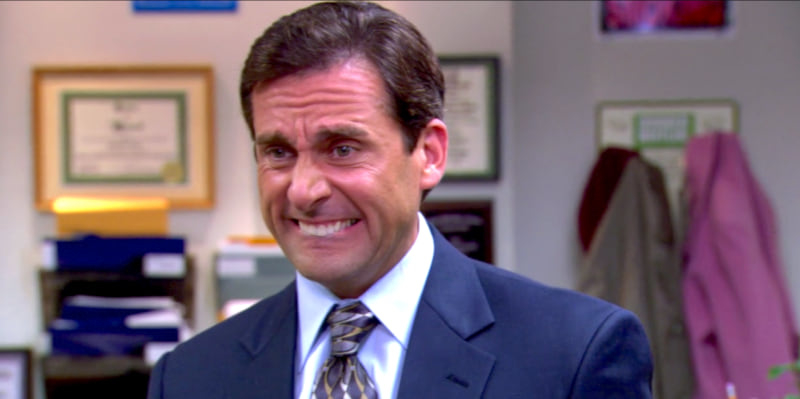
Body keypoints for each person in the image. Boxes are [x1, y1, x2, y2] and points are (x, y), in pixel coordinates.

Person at [147, 2, 653, 398]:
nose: (303, 190)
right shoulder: (190, 377)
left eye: (342, 149)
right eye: (278, 153)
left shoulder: (574, 354)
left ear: (429, 154)